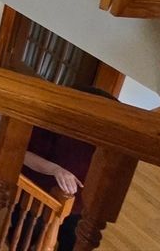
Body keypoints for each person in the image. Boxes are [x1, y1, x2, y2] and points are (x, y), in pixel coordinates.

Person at [10, 86, 115, 251]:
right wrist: (55, 169)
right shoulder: (50, 122)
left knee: (71, 244)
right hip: (39, 197)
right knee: (23, 240)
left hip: (79, 206)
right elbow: (23, 154)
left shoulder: (107, 137)